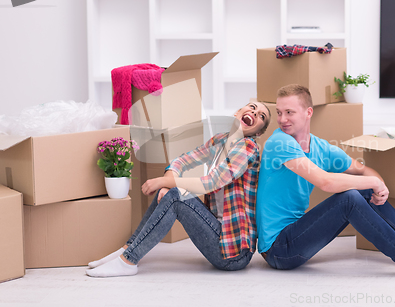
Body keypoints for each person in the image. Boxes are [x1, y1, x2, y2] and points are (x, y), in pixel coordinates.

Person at [256, 84, 395, 276]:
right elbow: (325, 182)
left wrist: (379, 186)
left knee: (361, 191)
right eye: (279, 113)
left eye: (289, 112)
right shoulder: (279, 143)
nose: (282, 119)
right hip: (279, 250)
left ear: (308, 112)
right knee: (349, 198)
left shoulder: (321, 148)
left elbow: (364, 171)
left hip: (296, 234)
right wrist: (373, 183)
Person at [86, 102, 271, 277]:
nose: (255, 113)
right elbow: (184, 159)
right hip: (217, 235)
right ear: (237, 112)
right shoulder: (220, 141)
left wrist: (162, 182)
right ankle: (128, 249)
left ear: (259, 132)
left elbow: (212, 182)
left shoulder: (248, 147)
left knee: (174, 194)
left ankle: (128, 261)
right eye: (252, 108)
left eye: (261, 115)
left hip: (234, 253)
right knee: (168, 190)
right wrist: (167, 180)